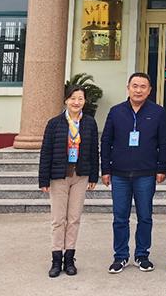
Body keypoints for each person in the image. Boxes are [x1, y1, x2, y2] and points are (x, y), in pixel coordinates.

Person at [101, 73, 166, 274]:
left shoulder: (158, 112)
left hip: (146, 173)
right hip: (119, 174)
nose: (138, 90)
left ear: (149, 90)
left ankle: (142, 255)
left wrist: (162, 168)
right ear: (128, 88)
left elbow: (164, 142)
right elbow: (106, 141)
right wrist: (105, 169)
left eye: (143, 87)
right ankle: (120, 256)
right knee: (120, 217)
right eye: (135, 86)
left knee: (145, 216)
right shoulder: (116, 112)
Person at [38, 85, 99, 278]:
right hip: (59, 176)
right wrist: (43, 179)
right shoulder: (54, 123)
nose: (76, 102)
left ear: (85, 101)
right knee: (58, 219)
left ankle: (70, 258)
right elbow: (46, 152)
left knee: (74, 218)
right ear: (66, 100)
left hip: (80, 176)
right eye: (73, 98)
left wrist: (94, 176)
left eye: (80, 98)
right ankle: (56, 259)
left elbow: (94, 150)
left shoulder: (89, 123)